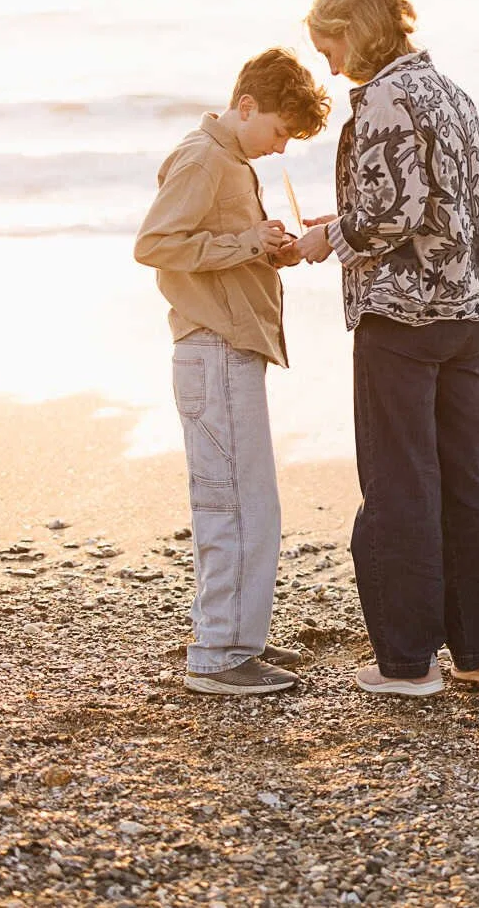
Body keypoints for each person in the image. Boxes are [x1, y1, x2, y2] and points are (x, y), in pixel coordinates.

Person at [292, 0, 479, 698]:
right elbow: (453, 204)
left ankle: (408, 662)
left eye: (327, 44)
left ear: (354, 31)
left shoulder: (387, 95)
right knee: (465, 475)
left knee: (400, 483)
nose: (326, 62)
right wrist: (347, 227)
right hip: (469, 308)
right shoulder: (450, 90)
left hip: (404, 314)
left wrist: (328, 240)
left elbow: (393, 212)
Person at [134, 48, 330, 696]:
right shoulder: (203, 157)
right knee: (232, 504)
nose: (280, 148)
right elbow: (156, 244)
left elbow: (209, 246)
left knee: (253, 502)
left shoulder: (230, 160)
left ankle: (236, 637)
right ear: (246, 106)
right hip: (211, 348)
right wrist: (250, 243)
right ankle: (218, 652)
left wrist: (268, 252)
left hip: (227, 347)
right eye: (278, 131)